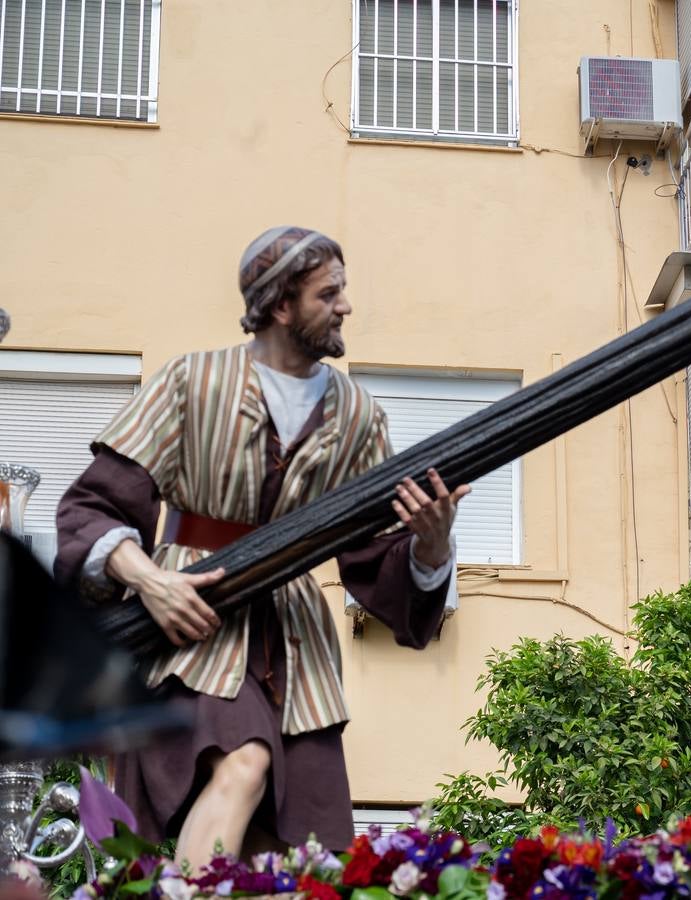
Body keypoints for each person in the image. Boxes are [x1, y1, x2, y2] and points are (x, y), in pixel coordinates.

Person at [55, 226, 470, 868]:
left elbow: (372, 560)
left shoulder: (359, 416)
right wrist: (148, 580)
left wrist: (432, 548)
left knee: (282, 851)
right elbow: (93, 506)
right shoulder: (192, 382)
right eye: (329, 293)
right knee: (245, 764)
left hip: (294, 644)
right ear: (281, 305)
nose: (346, 307)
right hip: (194, 621)